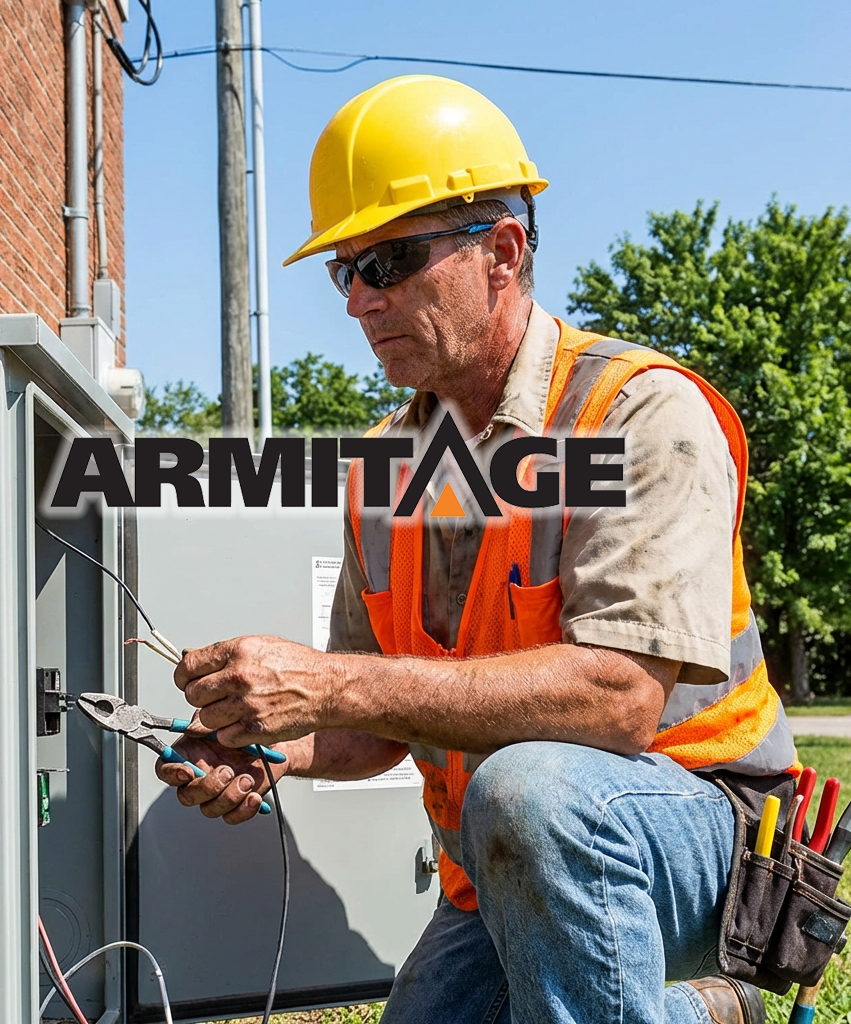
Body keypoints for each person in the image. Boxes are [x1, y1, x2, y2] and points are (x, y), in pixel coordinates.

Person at [157, 76, 797, 1024]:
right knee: (514, 825)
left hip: (705, 831)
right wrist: (272, 747)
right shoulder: (384, 468)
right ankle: (702, 1015)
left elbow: (620, 700)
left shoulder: (635, 412)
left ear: (502, 252)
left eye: (390, 261)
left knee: (530, 791)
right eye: (345, 271)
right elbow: (376, 721)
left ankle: (702, 997)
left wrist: (332, 682)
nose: (358, 302)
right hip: (504, 855)